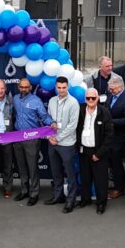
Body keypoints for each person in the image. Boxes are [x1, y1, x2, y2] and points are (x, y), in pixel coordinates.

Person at [12, 77, 55, 206]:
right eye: (21, 86)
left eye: (26, 87)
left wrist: (51, 122)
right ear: (19, 87)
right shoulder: (15, 99)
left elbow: (44, 116)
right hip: (18, 137)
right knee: (22, 167)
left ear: (30, 87)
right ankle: (24, 190)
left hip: (32, 138)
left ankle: (34, 193)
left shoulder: (36, 101)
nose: (24, 89)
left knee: (32, 168)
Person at [77, 88, 113, 214]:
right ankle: (85, 199)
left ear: (98, 98)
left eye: (93, 98)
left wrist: (99, 153)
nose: (90, 100)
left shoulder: (104, 112)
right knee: (85, 177)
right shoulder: (80, 109)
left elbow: (109, 136)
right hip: (83, 150)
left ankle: (101, 203)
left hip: (99, 152)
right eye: (88, 98)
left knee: (100, 180)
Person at [46, 77, 79, 212]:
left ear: (68, 87)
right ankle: (58, 195)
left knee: (70, 174)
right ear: (56, 87)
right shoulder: (52, 101)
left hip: (66, 143)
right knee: (56, 171)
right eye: (59, 88)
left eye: (64, 87)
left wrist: (58, 138)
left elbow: (72, 125)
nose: (61, 90)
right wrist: (49, 136)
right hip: (52, 142)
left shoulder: (73, 103)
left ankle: (71, 200)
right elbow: (48, 119)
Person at [105, 77, 125, 200]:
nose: (110, 91)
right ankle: (117, 185)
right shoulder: (112, 94)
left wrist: (111, 122)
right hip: (110, 136)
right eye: (109, 89)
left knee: (117, 163)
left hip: (119, 137)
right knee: (112, 162)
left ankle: (119, 188)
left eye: (112, 89)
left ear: (120, 87)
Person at [0, 79, 16, 199]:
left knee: (7, 164)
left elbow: (15, 117)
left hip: (7, 138)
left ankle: (7, 188)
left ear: (5, 89)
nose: (0, 91)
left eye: (2, 88)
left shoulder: (11, 100)